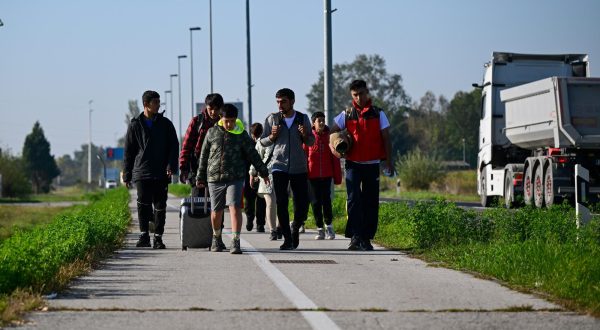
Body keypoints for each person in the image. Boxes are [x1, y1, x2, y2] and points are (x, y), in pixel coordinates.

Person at [196, 104, 270, 254]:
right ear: (220, 118)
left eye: (232, 120)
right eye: (226, 121)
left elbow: (253, 154)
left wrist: (263, 172)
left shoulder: (241, 134)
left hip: (235, 177)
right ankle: (216, 238)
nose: (229, 124)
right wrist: (200, 176)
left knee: (235, 207)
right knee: (216, 211)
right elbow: (203, 156)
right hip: (214, 178)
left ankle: (235, 241)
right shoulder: (211, 133)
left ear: (236, 119)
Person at [330, 80, 393, 251]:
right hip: (352, 164)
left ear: (367, 92)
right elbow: (332, 131)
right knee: (353, 200)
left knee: (370, 202)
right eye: (355, 95)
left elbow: (386, 138)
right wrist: (336, 142)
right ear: (352, 95)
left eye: (362, 93)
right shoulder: (347, 114)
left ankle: (366, 238)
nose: (359, 97)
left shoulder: (378, 113)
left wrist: (389, 161)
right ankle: (355, 237)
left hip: (372, 164)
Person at [259, 88, 315, 250]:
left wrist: (305, 135)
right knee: (281, 202)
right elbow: (262, 142)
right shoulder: (272, 119)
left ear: (292, 101)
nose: (280, 105)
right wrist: (272, 137)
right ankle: (287, 238)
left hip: (299, 167)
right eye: (277, 101)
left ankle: (295, 226)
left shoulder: (302, 118)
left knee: (302, 204)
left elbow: (311, 142)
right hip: (279, 166)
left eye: (283, 101)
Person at [123, 90, 179, 249]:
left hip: (161, 172)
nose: (158, 105)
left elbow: (174, 146)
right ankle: (144, 236)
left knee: (160, 206)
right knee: (143, 205)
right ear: (146, 104)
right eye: (155, 102)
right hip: (142, 172)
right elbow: (129, 152)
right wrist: (127, 174)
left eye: (159, 102)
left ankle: (158, 237)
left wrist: (171, 166)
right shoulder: (135, 125)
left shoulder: (165, 124)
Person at [304, 111, 342, 240]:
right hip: (312, 176)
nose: (321, 122)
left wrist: (337, 177)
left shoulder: (330, 137)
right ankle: (320, 228)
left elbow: (335, 158)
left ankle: (329, 227)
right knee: (315, 202)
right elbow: (304, 157)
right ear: (313, 123)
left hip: (326, 175)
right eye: (318, 120)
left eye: (323, 120)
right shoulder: (308, 137)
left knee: (326, 201)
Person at [179, 93, 224, 194]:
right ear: (206, 107)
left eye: (217, 109)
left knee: (216, 204)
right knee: (198, 201)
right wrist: (183, 167)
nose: (213, 112)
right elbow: (186, 146)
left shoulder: (226, 123)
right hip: (197, 168)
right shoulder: (197, 122)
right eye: (210, 108)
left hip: (220, 169)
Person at [249, 123, 279, 240]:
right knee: (274, 202)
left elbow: (255, 158)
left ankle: (277, 228)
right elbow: (255, 158)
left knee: (276, 202)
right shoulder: (263, 142)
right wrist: (252, 173)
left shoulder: (263, 141)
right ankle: (275, 229)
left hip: (275, 174)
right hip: (272, 174)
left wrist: (252, 173)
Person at [243, 123, 267, 233]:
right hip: (250, 175)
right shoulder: (248, 144)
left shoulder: (264, 143)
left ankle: (260, 224)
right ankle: (250, 219)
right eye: (254, 135)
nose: (256, 137)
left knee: (260, 200)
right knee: (250, 199)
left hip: (259, 175)